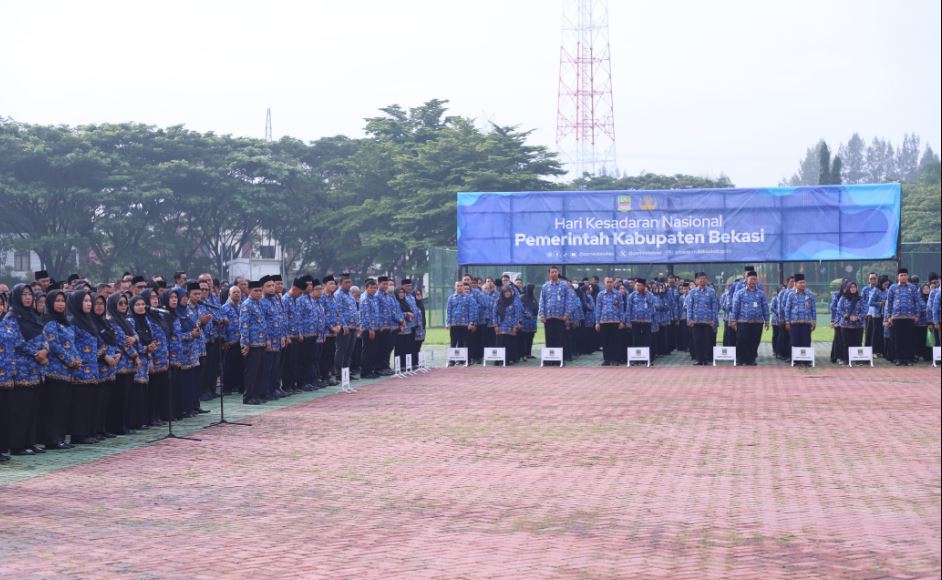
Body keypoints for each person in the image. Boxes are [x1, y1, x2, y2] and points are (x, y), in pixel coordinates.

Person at [4, 284, 48, 455]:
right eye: (24, 295)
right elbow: (16, 341)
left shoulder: (33, 316)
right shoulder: (12, 317)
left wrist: (45, 349)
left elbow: (43, 335)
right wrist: (36, 353)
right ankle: (17, 444)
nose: (28, 298)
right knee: (20, 409)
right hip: (22, 367)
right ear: (16, 297)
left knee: (32, 408)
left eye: (30, 294)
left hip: (37, 368)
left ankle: (30, 442)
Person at [40, 289, 78, 450]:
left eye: (63, 301)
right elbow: (54, 346)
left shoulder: (66, 322)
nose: (61, 304)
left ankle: (60, 437)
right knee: (54, 407)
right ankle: (52, 439)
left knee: (64, 406)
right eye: (57, 301)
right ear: (50, 303)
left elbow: (72, 343)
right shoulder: (50, 323)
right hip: (55, 371)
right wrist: (70, 361)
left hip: (68, 372)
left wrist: (77, 359)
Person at [67, 290, 102, 444]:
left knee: (90, 402)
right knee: (80, 403)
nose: (88, 304)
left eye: (89, 301)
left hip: (93, 368)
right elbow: (71, 344)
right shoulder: (73, 322)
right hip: (80, 369)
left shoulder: (89, 320)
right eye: (85, 301)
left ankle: (89, 431)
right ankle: (78, 434)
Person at [884, 268, 920, 366]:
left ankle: (908, 359)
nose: (903, 277)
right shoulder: (893, 288)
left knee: (908, 338)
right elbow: (889, 303)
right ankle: (898, 358)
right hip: (896, 317)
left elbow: (917, 302)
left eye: (905, 275)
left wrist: (917, 315)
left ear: (907, 276)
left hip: (909, 317)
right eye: (901, 275)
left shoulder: (912, 288)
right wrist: (889, 317)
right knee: (897, 339)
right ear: (898, 277)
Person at [731, 272, 769, 366]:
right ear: (746, 280)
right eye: (751, 279)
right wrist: (734, 320)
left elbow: (765, 307)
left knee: (755, 340)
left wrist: (767, 320)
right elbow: (735, 307)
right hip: (743, 321)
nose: (753, 281)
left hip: (757, 321)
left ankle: (751, 359)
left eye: (755, 279)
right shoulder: (740, 293)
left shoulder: (760, 293)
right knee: (742, 340)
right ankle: (740, 358)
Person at [239, 280, 267, 405]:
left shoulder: (259, 303)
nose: (258, 293)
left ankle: (257, 394)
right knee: (251, 371)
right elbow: (244, 325)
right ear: (249, 291)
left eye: (260, 290)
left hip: (261, 341)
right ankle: (248, 396)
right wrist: (245, 343)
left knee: (260, 370)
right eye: (256, 291)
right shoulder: (247, 305)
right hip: (252, 343)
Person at [685, 272, 719, 366]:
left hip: (708, 321)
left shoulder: (711, 291)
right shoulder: (692, 292)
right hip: (696, 321)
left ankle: (706, 359)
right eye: (700, 279)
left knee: (707, 341)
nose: (702, 280)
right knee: (697, 341)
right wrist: (689, 319)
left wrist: (713, 320)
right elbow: (689, 307)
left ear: (706, 280)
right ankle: (699, 359)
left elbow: (714, 307)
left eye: (704, 278)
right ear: (696, 281)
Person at [538, 266, 570, 361]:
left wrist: (567, 314)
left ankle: (559, 359)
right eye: (552, 272)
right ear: (549, 274)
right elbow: (541, 301)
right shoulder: (545, 286)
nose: (554, 274)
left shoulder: (564, 285)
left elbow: (568, 301)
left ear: (558, 273)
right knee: (549, 338)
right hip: (548, 317)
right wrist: (542, 314)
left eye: (555, 272)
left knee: (560, 338)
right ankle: (549, 359)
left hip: (560, 317)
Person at [784, 273, 816, 364]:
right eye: (800, 283)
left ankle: (806, 360)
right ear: (796, 284)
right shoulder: (791, 295)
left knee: (806, 341)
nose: (802, 284)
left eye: (804, 282)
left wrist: (814, 321)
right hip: (794, 322)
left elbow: (813, 308)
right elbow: (787, 309)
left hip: (806, 322)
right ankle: (795, 360)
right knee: (794, 341)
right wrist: (787, 322)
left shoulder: (809, 295)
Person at [334, 274, 361, 378]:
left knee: (349, 352)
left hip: (353, 327)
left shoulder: (350, 294)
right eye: (346, 282)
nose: (349, 284)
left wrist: (358, 324)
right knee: (341, 351)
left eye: (350, 282)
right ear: (341, 283)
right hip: (344, 328)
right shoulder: (338, 295)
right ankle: (339, 374)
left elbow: (355, 310)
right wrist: (343, 325)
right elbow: (338, 311)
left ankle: (346, 373)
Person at [625, 278, 657, 363]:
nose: (637, 287)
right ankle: (636, 359)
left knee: (648, 341)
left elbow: (653, 308)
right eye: (637, 285)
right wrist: (628, 321)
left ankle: (648, 359)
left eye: (639, 285)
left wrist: (649, 316)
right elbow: (628, 309)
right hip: (635, 321)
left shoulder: (650, 295)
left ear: (644, 286)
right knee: (636, 340)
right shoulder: (632, 295)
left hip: (647, 321)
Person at [219, 285, 244, 394]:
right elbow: (223, 326)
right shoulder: (225, 308)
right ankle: (227, 387)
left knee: (241, 365)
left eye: (238, 292)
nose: (237, 294)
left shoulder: (243, 306)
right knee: (229, 365)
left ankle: (239, 386)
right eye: (234, 292)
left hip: (242, 340)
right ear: (229, 294)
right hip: (231, 340)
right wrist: (224, 340)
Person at [595, 277, 624, 366]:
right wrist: (597, 322)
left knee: (615, 341)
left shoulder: (618, 294)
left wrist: (622, 321)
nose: (609, 284)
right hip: (604, 321)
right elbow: (598, 308)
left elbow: (621, 308)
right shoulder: (600, 294)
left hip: (615, 321)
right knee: (605, 341)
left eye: (611, 282)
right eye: (607, 282)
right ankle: (607, 359)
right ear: (604, 283)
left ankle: (615, 359)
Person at [358, 279, 382, 379]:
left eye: (375, 288)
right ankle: (365, 372)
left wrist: (378, 326)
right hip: (368, 329)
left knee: (373, 350)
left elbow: (376, 314)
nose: (373, 290)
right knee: (367, 351)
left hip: (375, 327)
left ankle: (371, 370)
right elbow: (366, 316)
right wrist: (371, 329)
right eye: (371, 288)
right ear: (366, 288)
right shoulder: (365, 299)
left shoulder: (374, 298)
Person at [492, 285, 520, 364]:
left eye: (508, 292)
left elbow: (516, 314)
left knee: (508, 343)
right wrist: (495, 325)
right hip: (500, 326)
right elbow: (494, 313)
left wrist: (515, 326)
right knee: (499, 343)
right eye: (505, 292)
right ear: (502, 293)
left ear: (511, 293)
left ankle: (507, 360)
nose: (507, 294)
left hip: (510, 326)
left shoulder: (514, 301)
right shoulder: (498, 301)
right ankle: (498, 360)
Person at [837, 281, 866, 353]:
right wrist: (846, 316)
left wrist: (858, 317)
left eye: (854, 287)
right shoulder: (843, 298)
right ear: (848, 288)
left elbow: (865, 310)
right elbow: (839, 309)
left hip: (858, 325)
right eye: (851, 287)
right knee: (846, 343)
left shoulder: (860, 298)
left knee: (857, 343)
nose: (853, 289)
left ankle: (857, 359)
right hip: (846, 324)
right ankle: (846, 359)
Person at [867, 276, 890, 357]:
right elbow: (870, 302)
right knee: (875, 334)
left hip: (884, 315)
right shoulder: (876, 290)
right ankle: (874, 351)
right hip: (876, 315)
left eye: (887, 284)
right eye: (885, 284)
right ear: (881, 283)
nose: (886, 286)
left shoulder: (887, 291)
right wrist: (880, 303)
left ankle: (881, 351)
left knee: (882, 334)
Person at [519, 284, 538, 360]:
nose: (534, 291)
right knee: (524, 338)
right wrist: (527, 314)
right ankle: (523, 354)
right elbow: (521, 308)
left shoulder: (533, 298)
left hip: (532, 322)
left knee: (530, 337)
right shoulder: (522, 298)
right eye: (533, 289)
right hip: (525, 321)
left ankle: (529, 353)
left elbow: (536, 308)